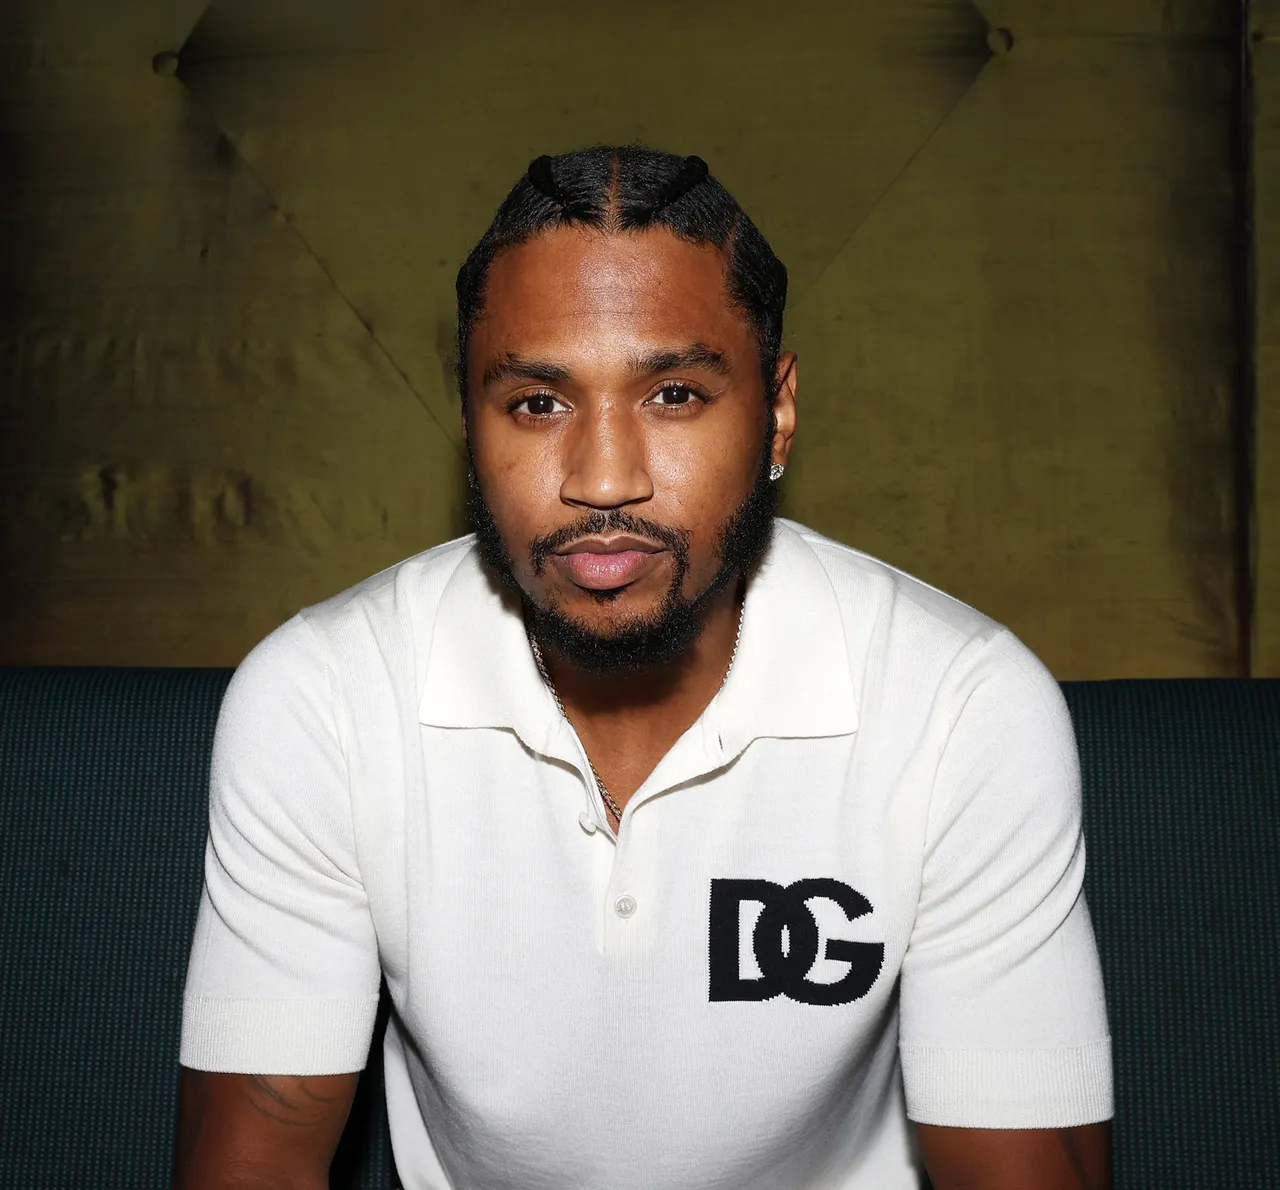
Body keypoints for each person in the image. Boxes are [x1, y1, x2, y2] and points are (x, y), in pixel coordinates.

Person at [175, 146, 1113, 1190]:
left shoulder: (959, 704)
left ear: (778, 413)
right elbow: (251, 1162)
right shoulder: (325, 697)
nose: (603, 477)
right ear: (466, 424)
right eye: (537, 402)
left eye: (672, 393)